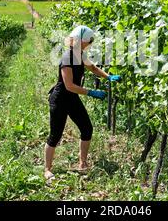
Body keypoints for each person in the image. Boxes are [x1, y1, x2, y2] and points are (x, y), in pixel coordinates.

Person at [44, 25, 121, 180]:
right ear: (80, 40)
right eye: (89, 41)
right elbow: (69, 86)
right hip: (60, 99)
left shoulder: (80, 54)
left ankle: (82, 163)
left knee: (87, 128)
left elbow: (92, 68)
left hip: (72, 99)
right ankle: (47, 169)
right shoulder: (67, 57)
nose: (90, 44)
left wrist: (108, 77)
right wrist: (91, 92)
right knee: (55, 135)